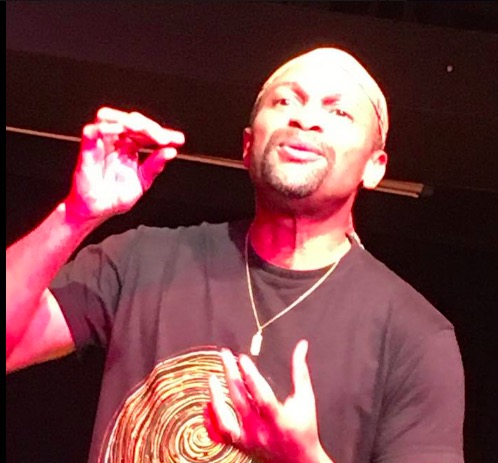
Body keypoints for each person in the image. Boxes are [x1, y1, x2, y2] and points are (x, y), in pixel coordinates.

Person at [6, 47, 465, 463]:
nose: (305, 119)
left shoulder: (415, 336)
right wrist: (76, 214)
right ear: (247, 147)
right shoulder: (143, 259)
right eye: (285, 101)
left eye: (338, 111)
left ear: (375, 167)